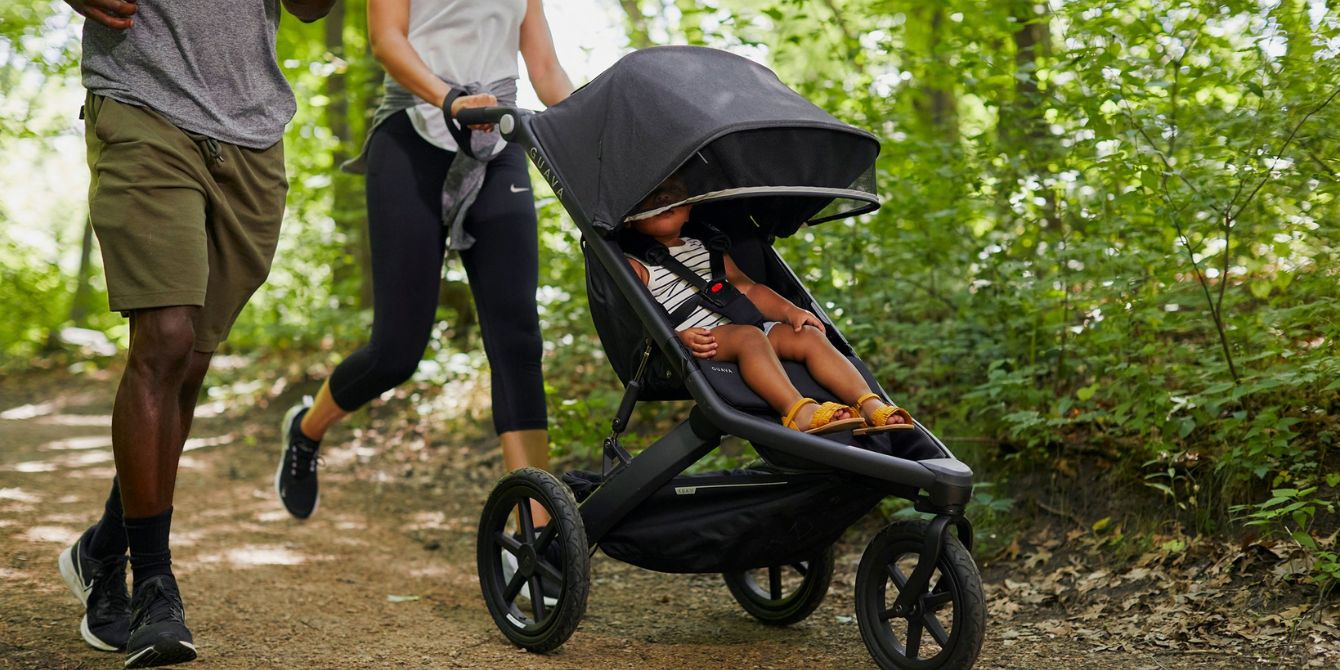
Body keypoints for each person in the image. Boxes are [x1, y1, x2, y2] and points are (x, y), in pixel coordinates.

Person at [55, 0, 335, 666]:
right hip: (141, 96)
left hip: (251, 129)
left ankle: (104, 551)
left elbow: (311, 7)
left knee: (190, 363)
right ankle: (154, 584)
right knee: (166, 339)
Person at [274, 0, 573, 524]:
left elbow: (544, 68)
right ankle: (307, 429)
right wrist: (449, 98)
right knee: (395, 352)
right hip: (413, 133)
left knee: (518, 338)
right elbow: (388, 40)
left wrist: (588, 132)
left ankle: (536, 528)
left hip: (498, 139)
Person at [625, 178, 916, 435]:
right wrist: (677, 339)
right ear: (630, 218)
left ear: (689, 208)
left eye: (673, 194)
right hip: (704, 340)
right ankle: (797, 412)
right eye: (651, 198)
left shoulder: (705, 246)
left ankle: (868, 403)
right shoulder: (634, 263)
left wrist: (791, 312)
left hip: (747, 327)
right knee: (748, 336)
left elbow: (748, 289)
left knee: (807, 334)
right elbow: (641, 318)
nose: (662, 200)